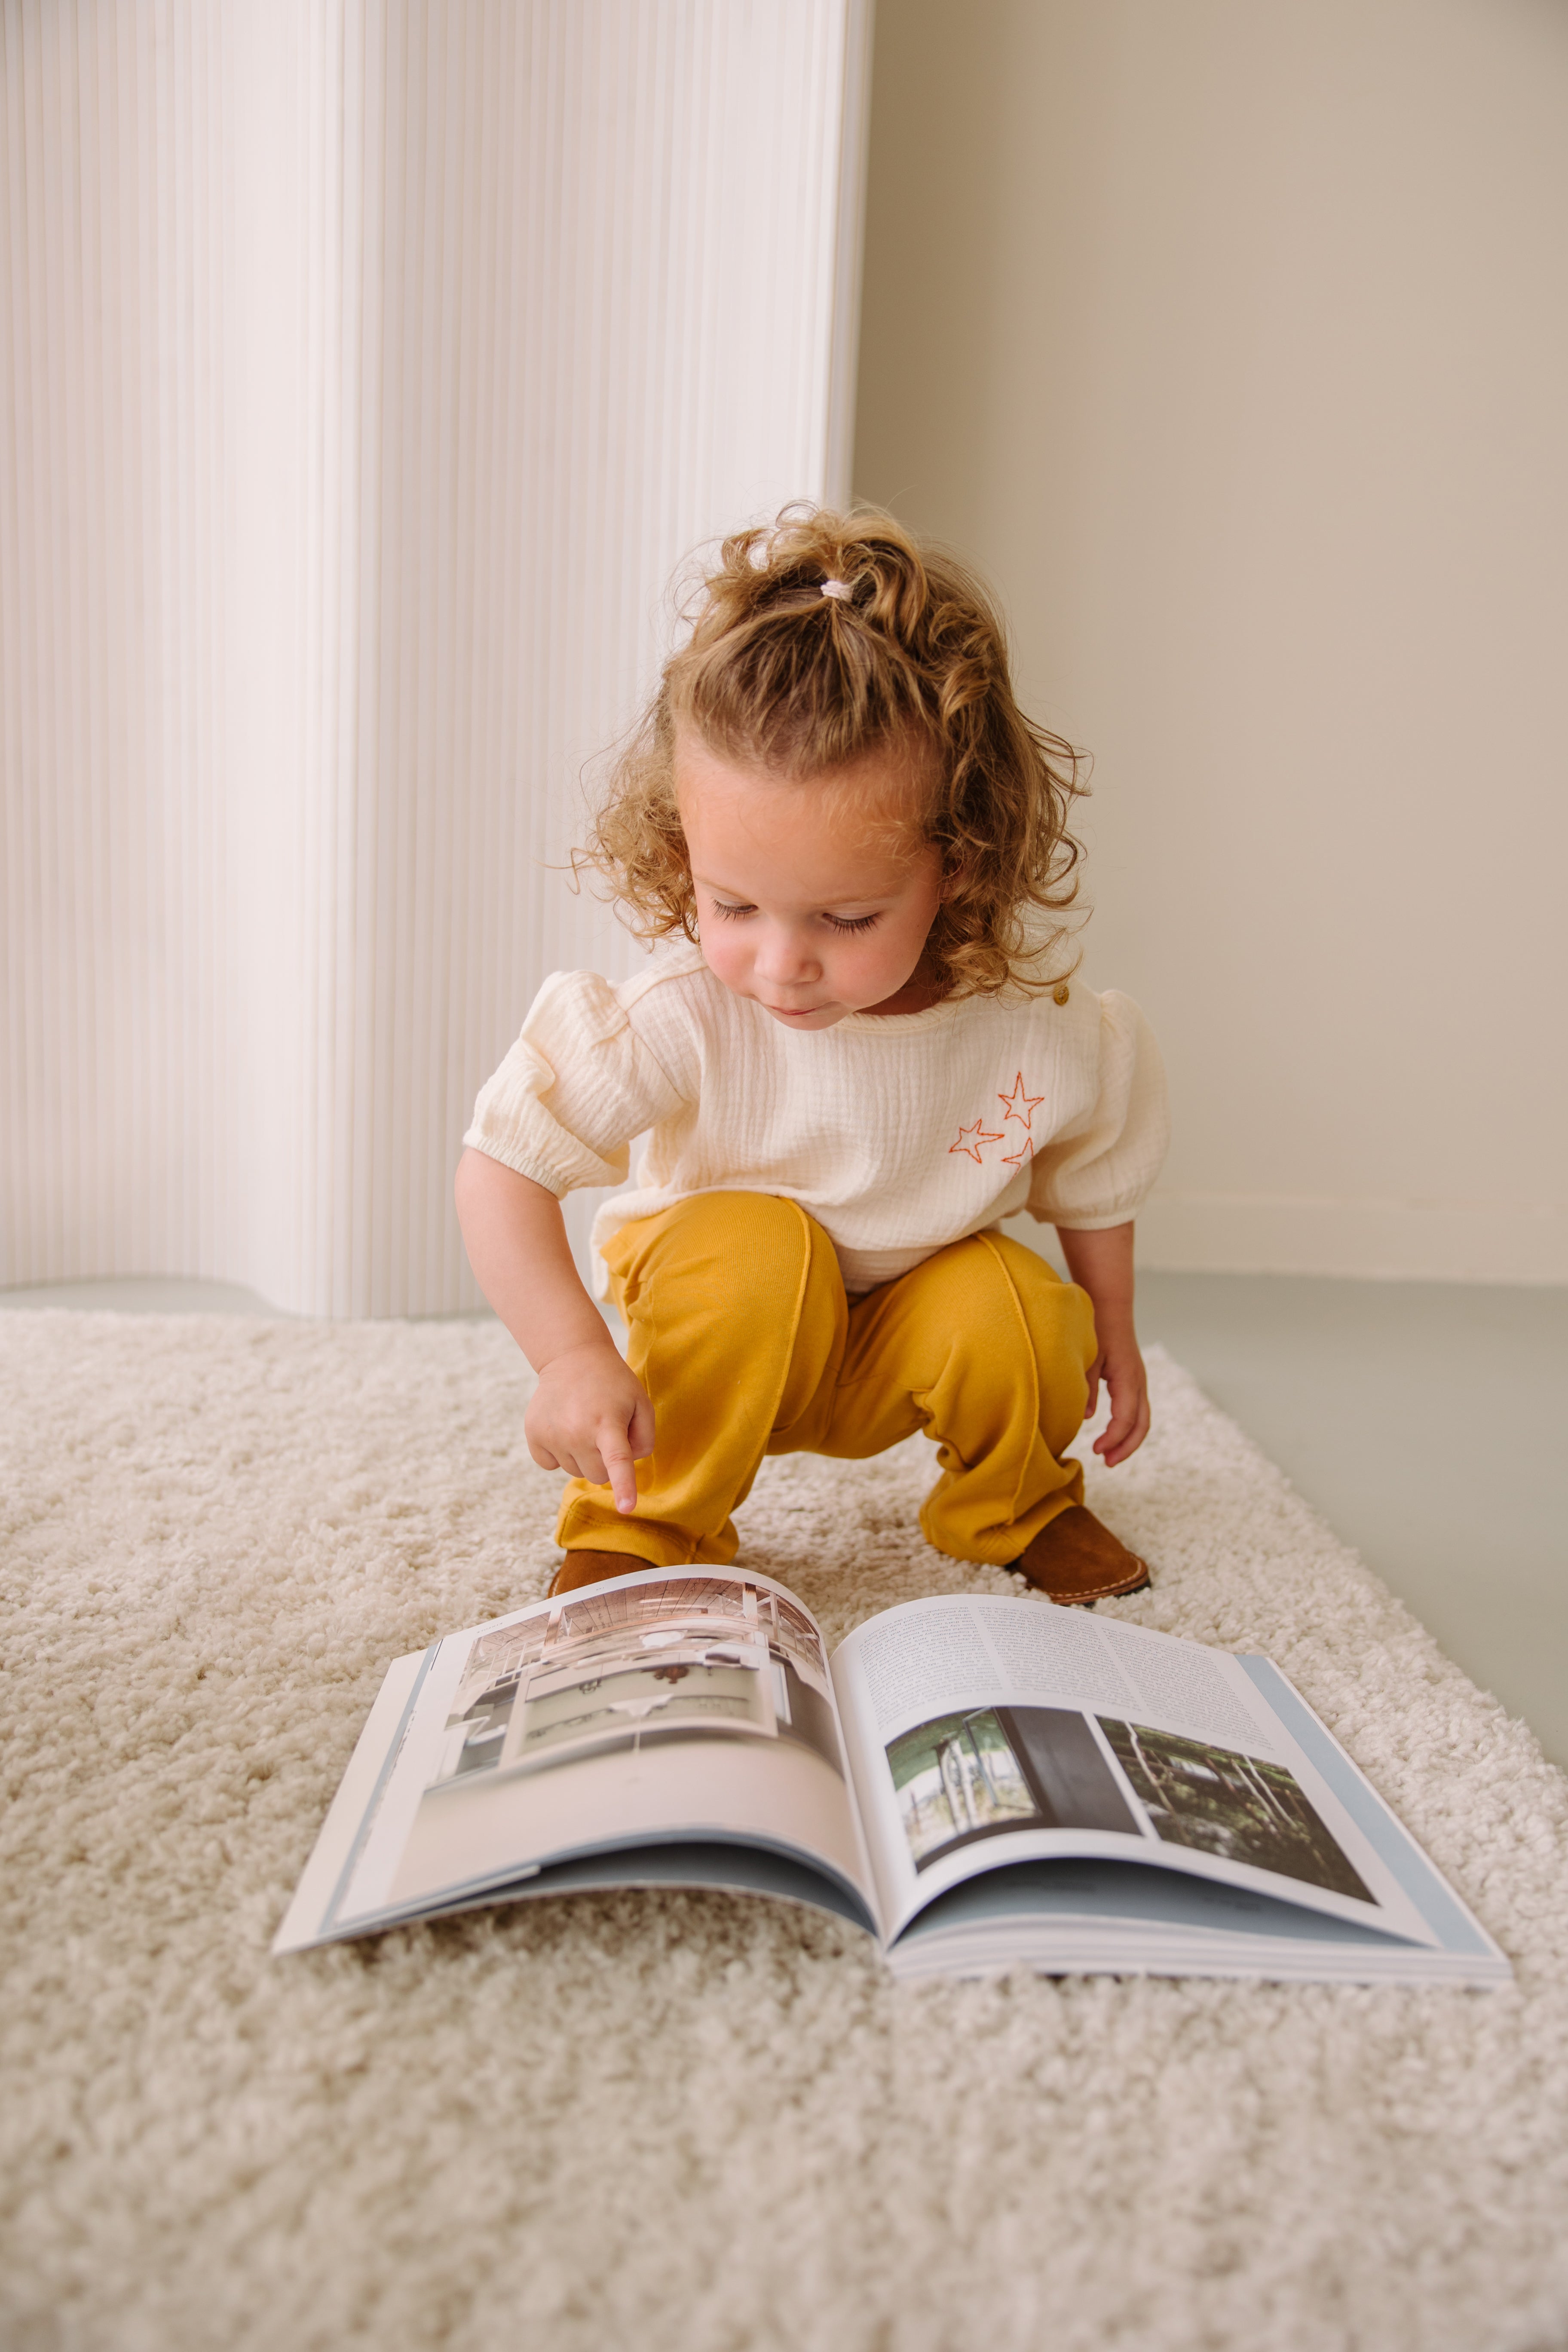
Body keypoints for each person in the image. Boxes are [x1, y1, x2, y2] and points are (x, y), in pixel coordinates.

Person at [455, 508, 1169, 1605]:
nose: (779, 965)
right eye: (731, 904)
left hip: (905, 1331)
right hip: (721, 1332)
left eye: (845, 920)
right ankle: (645, 1526)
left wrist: (1110, 1328)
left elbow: (1096, 1166)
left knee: (1018, 1306)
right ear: (683, 847)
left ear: (962, 864)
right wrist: (568, 1355)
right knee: (755, 1246)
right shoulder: (684, 1013)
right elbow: (503, 1159)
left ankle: (1020, 1504)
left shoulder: (1035, 1028)